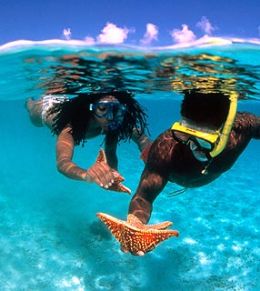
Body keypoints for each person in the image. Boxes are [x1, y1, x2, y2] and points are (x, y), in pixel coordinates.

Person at [97, 90, 260, 255]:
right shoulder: (166, 147)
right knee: (148, 148)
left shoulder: (244, 127)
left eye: (203, 141)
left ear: (224, 133)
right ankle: (137, 134)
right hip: (164, 165)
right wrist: (136, 226)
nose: (191, 146)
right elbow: (144, 197)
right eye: (183, 135)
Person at [26, 91, 151, 193]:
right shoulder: (70, 127)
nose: (110, 117)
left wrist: (151, 156)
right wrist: (86, 175)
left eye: (116, 110)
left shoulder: (114, 123)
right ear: (91, 109)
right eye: (102, 109)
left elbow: (136, 141)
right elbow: (62, 163)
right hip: (46, 109)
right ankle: (28, 101)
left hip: (64, 102)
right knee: (32, 112)